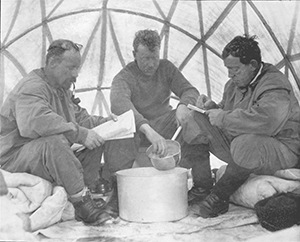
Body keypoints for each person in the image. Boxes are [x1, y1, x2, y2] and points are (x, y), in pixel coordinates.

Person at [0, 39, 119, 226]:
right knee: (54, 142)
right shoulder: (32, 87)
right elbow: (36, 121)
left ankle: (83, 193)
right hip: (13, 157)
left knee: (94, 138)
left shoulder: (61, 89)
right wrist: (80, 134)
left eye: (77, 68)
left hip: (39, 157)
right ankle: (81, 202)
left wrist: (107, 123)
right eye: (71, 67)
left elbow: (79, 119)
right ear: (53, 63)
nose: (76, 74)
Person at [188, 35, 300, 218]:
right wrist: (212, 108)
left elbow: (268, 122)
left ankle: (220, 195)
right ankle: (202, 186)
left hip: (282, 150)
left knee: (245, 143)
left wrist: (223, 118)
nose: (230, 75)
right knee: (195, 119)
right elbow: (228, 112)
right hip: (244, 148)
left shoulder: (275, 83)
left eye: (235, 69)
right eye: (228, 69)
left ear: (253, 65)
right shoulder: (232, 85)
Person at [105, 29, 208, 200]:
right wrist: (148, 130)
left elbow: (189, 90)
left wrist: (183, 105)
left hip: (163, 125)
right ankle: (118, 194)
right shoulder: (123, 77)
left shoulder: (166, 67)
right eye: (146, 58)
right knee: (119, 127)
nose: (151, 64)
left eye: (155, 58)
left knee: (195, 118)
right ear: (134, 55)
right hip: (137, 130)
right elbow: (120, 105)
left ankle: (202, 188)